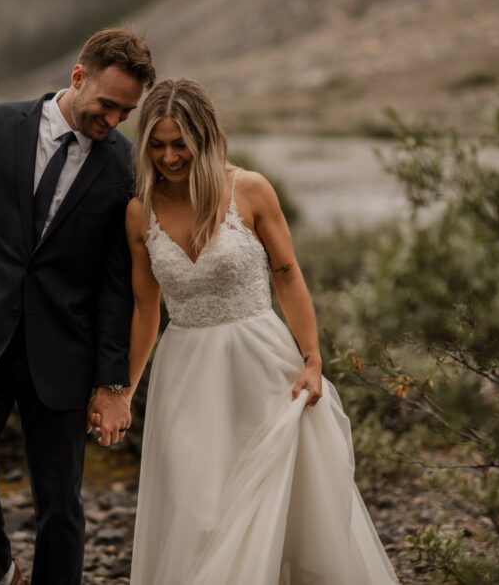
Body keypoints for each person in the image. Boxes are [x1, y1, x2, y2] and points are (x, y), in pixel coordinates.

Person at [120, 79, 399, 584]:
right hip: (184, 375)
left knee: (278, 504)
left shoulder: (249, 189)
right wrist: (126, 390)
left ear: (205, 138)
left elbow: (288, 274)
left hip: (262, 365)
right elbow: (145, 307)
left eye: (180, 143)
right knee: (198, 508)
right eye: (157, 145)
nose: (169, 157)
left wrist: (313, 359)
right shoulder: (140, 211)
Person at [0, 28, 156, 585]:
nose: (115, 120)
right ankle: (1, 573)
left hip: (63, 356)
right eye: (107, 104)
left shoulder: (123, 166)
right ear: (78, 78)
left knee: (60, 501)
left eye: (127, 111)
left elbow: (114, 286)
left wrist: (111, 382)